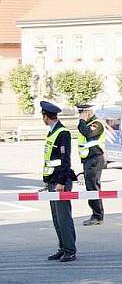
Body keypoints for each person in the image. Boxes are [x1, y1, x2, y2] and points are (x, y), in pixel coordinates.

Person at [41, 100, 78, 262]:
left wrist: (61, 182)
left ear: (45, 116)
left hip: (60, 182)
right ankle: (62, 247)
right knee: (56, 217)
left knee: (64, 217)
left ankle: (70, 250)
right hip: (52, 180)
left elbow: (65, 160)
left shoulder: (62, 133)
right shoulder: (52, 131)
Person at [76, 104, 106, 225]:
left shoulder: (96, 124)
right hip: (88, 159)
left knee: (93, 187)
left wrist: (82, 121)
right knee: (90, 187)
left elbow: (88, 134)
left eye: (82, 112)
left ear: (89, 111)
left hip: (95, 159)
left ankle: (97, 215)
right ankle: (96, 214)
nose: (80, 115)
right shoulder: (85, 124)